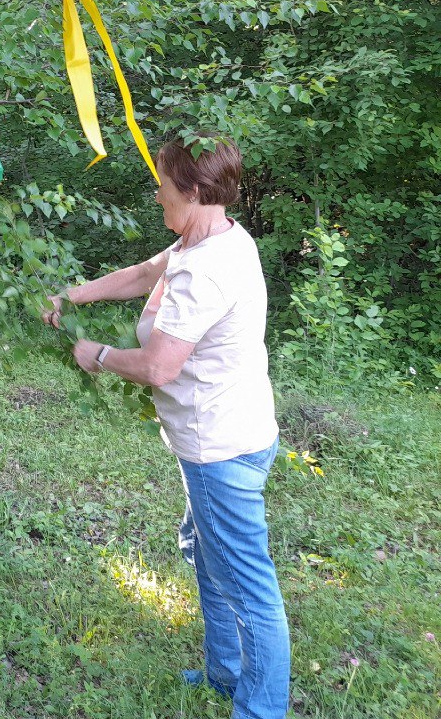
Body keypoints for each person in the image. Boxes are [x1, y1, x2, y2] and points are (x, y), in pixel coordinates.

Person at [42, 134, 289, 719]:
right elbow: (143, 271)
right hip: (235, 434)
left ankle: (262, 710)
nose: (157, 195)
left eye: (164, 185)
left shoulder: (207, 270)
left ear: (197, 191)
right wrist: (69, 295)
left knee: (250, 589)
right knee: (210, 559)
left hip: (219, 450)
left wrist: (96, 354)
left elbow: (158, 366)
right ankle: (224, 675)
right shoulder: (213, 240)